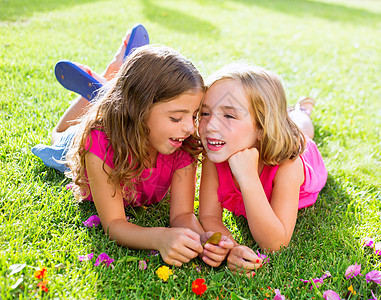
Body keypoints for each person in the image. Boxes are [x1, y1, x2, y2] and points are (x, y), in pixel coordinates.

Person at [32, 27, 235, 267]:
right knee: (58, 138)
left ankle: (112, 82)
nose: (191, 128)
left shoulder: (183, 144)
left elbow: (182, 215)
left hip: (125, 108)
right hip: (89, 135)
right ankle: (107, 84)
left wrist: (203, 241)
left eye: (194, 116)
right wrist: (159, 238)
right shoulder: (98, 143)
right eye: (176, 118)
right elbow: (114, 224)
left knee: (112, 97)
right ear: (138, 111)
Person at [198, 64, 327, 276]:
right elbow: (209, 215)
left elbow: (275, 243)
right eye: (205, 112)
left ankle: (302, 111)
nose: (210, 125)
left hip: (300, 150)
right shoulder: (216, 149)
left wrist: (248, 177)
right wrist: (230, 247)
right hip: (268, 129)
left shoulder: (288, 166)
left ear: (262, 127)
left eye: (229, 116)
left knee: (303, 127)